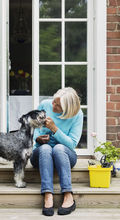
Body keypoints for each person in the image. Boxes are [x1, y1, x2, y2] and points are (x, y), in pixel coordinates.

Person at [30, 87, 83, 216]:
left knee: (58, 148)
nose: (53, 106)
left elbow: (72, 143)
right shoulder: (45, 105)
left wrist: (54, 129)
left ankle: (68, 195)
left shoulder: (77, 115)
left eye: (57, 105)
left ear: (67, 109)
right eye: (54, 101)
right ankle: (48, 195)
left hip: (64, 155)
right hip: (41, 154)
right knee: (46, 148)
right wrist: (37, 139)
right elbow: (32, 128)